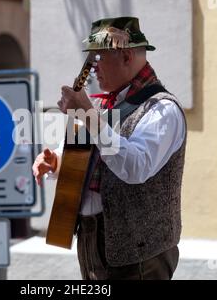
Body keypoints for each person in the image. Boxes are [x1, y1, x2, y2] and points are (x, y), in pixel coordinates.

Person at [32, 17, 187, 280]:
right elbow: (83, 157)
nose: (92, 69)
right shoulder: (100, 104)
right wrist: (56, 162)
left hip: (139, 253)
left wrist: (89, 116)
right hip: (91, 241)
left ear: (126, 56)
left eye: (98, 58)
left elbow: (134, 168)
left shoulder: (162, 109)